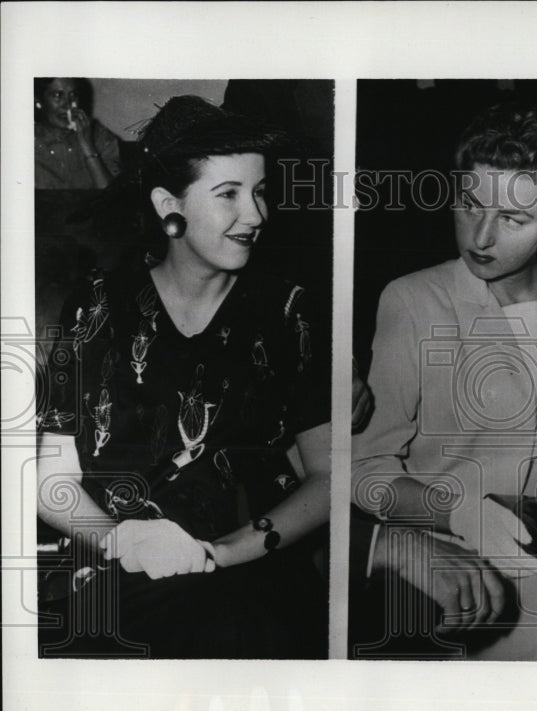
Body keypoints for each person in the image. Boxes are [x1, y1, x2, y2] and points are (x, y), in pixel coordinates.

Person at [36, 95, 331, 659]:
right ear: (169, 206)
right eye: (229, 195)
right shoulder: (100, 303)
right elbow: (52, 482)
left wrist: (218, 553)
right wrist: (125, 541)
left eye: (261, 191)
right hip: (116, 570)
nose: (256, 214)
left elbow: (328, 478)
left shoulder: (287, 310)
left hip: (249, 576)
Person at [351, 103, 537, 651]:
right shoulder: (414, 300)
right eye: (470, 205)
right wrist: (455, 509)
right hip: (470, 570)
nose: (481, 237)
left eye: (513, 219)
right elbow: (365, 468)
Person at [35, 77, 120, 190]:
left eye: (73, 95)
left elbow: (111, 196)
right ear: (39, 101)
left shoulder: (100, 136)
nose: (68, 104)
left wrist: (87, 146)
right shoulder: (27, 141)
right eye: (57, 95)